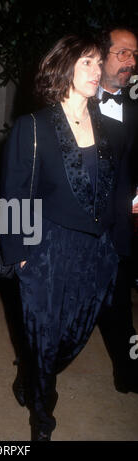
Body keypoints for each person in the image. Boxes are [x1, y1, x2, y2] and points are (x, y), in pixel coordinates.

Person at [0, 34, 132, 440]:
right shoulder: (33, 127)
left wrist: (119, 253)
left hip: (94, 255)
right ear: (64, 68)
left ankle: (31, 375)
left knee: (69, 341)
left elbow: (119, 194)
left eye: (97, 62)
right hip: (46, 251)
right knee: (42, 338)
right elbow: (13, 194)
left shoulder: (113, 131)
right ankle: (43, 420)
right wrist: (21, 257)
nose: (97, 71)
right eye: (87, 63)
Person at [97, 27, 138, 394]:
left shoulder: (137, 111)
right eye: (122, 53)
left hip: (121, 230)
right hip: (77, 231)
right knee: (61, 315)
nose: (130, 61)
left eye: (134, 55)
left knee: (120, 309)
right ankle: (35, 375)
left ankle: (129, 373)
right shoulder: (71, 101)